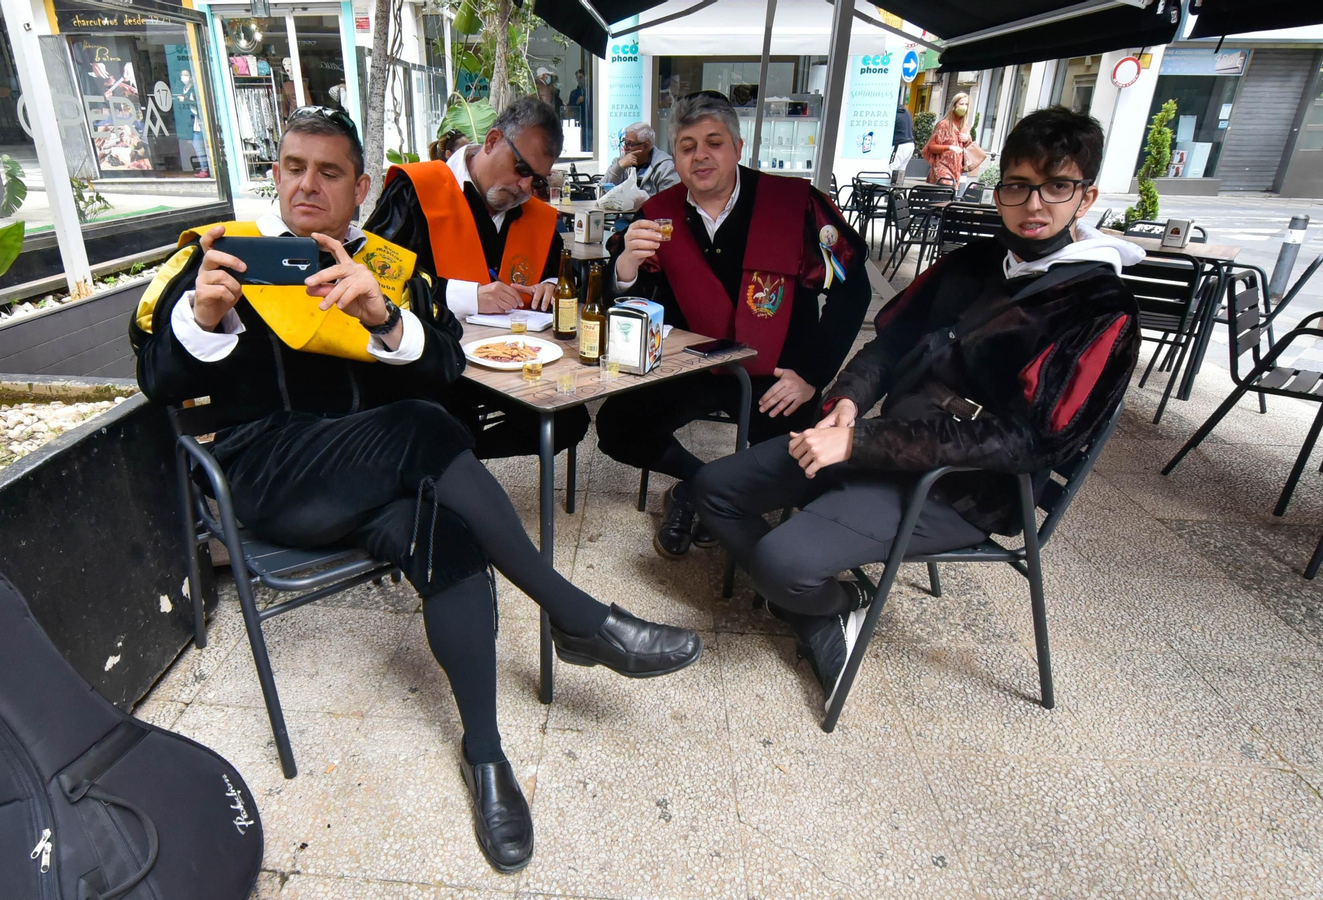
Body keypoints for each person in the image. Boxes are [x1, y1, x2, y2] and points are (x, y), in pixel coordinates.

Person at [130, 106, 703, 875]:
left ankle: (488, 758)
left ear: (359, 187)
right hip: (271, 483)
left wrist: (382, 316)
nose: (308, 184)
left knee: (452, 533)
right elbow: (157, 380)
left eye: (329, 172)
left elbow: (441, 366)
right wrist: (203, 316)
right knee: (418, 424)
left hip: (374, 483)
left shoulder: (388, 266)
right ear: (276, 174)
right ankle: (576, 618)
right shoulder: (224, 261)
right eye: (295, 167)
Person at [691, 106, 1143, 703]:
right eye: (1018, 186)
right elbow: (894, 341)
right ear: (998, 187)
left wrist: (860, 442)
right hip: (886, 446)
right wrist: (850, 399)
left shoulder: (1100, 306)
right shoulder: (974, 262)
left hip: (968, 488)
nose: (1034, 205)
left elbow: (1026, 441)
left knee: (780, 562)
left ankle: (832, 606)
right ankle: (817, 609)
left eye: (1056, 187)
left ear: (1083, 199)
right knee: (710, 489)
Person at [598, 90, 872, 559]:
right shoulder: (654, 214)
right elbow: (634, 306)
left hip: (778, 377)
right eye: (687, 146)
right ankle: (701, 487)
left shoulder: (797, 205)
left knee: (806, 465)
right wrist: (624, 269)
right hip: (688, 369)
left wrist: (812, 374)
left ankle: (702, 499)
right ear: (676, 158)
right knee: (616, 427)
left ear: (739, 148)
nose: (700, 155)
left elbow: (853, 291)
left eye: (714, 142)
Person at [364, 97, 589, 459]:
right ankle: (453, 464)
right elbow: (375, 278)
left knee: (568, 418)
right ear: (492, 140)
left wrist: (549, 284)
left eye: (538, 178)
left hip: (512, 361)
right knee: (445, 421)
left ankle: (460, 460)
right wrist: (466, 296)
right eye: (521, 168)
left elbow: (556, 269)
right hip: (432, 362)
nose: (526, 187)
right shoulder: (416, 190)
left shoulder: (534, 214)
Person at [603, 122, 680, 198]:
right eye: (625, 142)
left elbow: (670, 201)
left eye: (631, 144)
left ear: (646, 146)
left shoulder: (665, 167)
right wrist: (619, 167)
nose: (625, 148)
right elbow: (602, 191)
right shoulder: (621, 161)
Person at [924, 92, 979, 189]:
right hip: (942, 167)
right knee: (945, 190)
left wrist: (966, 140)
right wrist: (949, 147)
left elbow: (969, 145)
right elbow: (931, 147)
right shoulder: (944, 124)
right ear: (954, 106)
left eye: (966, 104)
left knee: (949, 195)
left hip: (957, 169)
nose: (964, 107)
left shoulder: (965, 126)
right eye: (961, 104)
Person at [890, 104, 915, 172]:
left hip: (899, 145)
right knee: (900, 172)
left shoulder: (894, 113)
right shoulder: (905, 112)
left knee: (891, 169)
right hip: (910, 144)